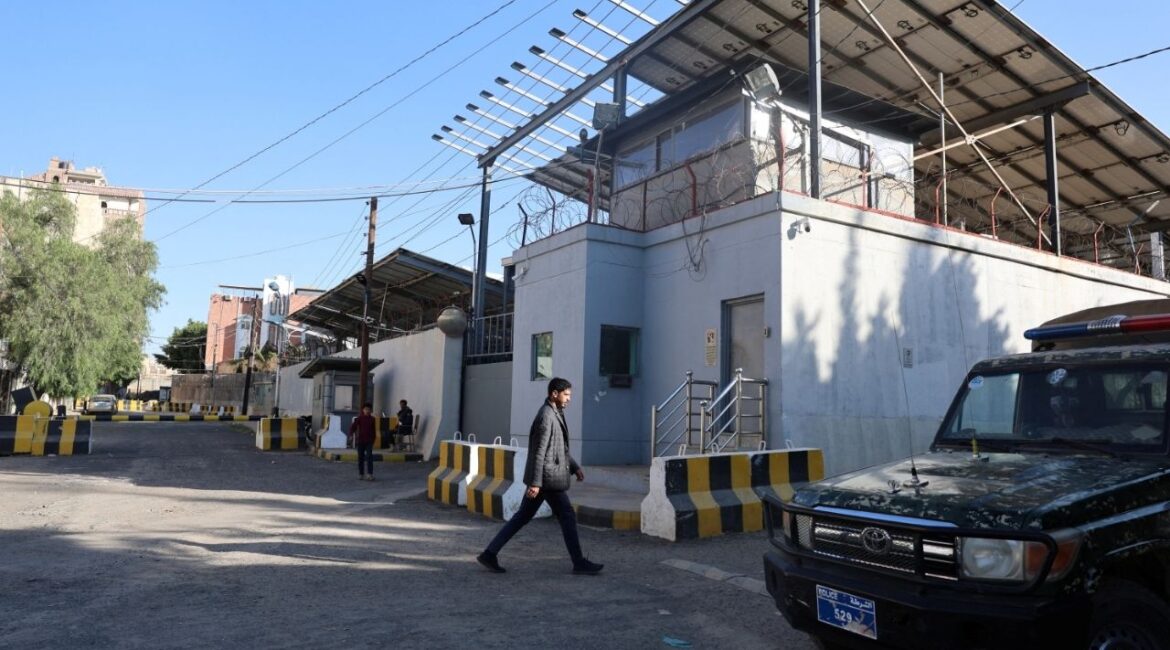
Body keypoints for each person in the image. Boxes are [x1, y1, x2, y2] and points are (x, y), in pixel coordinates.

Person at [477, 377, 603, 575]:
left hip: (546, 478)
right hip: (547, 480)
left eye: (570, 395)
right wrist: (535, 483)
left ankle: (489, 553)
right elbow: (539, 452)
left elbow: (560, 448)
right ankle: (578, 562)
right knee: (567, 515)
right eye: (566, 394)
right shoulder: (546, 416)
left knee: (522, 516)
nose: (569, 399)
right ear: (554, 393)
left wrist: (574, 466)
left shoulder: (556, 413)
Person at [349, 403, 376, 481]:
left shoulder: (372, 419)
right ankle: (361, 474)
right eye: (366, 409)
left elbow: (373, 430)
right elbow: (353, 427)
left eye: (369, 409)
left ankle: (370, 474)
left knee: (369, 457)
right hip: (360, 441)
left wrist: (373, 439)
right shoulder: (359, 418)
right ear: (363, 410)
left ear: (371, 411)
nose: (367, 411)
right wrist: (351, 435)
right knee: (360, 457)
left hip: (369, 441)